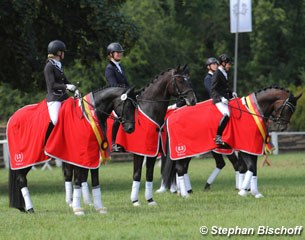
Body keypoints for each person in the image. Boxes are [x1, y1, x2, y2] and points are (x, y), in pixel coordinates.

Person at [44, 40, 77, 143]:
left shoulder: (58, 65)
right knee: (55, 119)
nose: (63, 53)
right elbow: (52, 85)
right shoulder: (49, 66)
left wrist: (74, 89)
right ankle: (46, 141)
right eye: (62, 51)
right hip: (54, 98)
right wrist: (67, 86)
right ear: (58, 52)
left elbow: (65, 81)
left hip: (63, 97)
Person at [105, 42, 130, 152]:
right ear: (110, 54)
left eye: (120, 52)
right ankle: (114, 142)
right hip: (115, 97)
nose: (120, 54)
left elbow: (126, 83)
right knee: (117, 117)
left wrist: (132, 91)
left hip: (123, 95)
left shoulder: (120, 67)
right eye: (117, 52)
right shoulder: (109, 68)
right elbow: (113, 85)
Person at [211, 53, 237, 146]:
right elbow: (214, 89)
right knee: (227, 114)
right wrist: (221, 98)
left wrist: (231, 92)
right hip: (218, 100)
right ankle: (218, 137)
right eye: (229, 64)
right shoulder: (217, 73)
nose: (230, 66)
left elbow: (224, 87)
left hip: (225, 98)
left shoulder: (224, 72)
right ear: (223, 63)